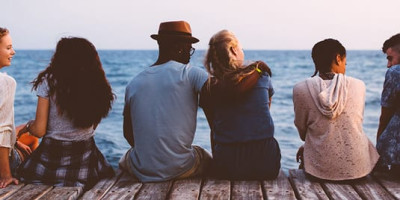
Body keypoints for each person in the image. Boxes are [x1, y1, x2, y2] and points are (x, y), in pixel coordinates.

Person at [118, 20, 213, 182]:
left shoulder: (134, 83)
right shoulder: (193, 74)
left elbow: (129, 134)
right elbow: (218, 107)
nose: (189, 55)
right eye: (189, 49)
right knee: (204, 155)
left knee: (123, 159)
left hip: (141, 169)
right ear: (179, 48)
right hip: (182, 168)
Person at [17, 37, 115, 188]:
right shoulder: (96, 85)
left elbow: (39, 131)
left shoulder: (49, 81)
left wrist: (27, 127)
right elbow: (91, 127)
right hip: (85, 160)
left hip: (51, 160)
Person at [293, 39, 379, 181]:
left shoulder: (300, 89)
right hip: (358, 171)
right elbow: (355, 123)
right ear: (338, 58)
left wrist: (308, 145)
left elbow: (302, 130)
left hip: (318, 173)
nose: (346, 66)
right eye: (345, 61)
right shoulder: (359, 85)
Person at [200, 30, 281, 180]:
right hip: (266, 164)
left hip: (228, 166)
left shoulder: (209, 88)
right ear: (233, 50)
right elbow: (264, 114)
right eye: (241, 48)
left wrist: (220, 161)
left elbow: (215, 129)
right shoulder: (262, 76)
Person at [0, 27, 38, 188]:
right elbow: (2, 130)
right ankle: (30, 175)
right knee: (34, 136)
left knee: (26, 133)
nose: (13, 52)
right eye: (8, 48)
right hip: (3, 164)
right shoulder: (6, 83)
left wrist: (14, 142)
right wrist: (6, 175)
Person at [376, 33, 400, 174]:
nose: (388, 65)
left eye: (390, 58)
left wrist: (378, 152)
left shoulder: (395, 72)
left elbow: (384, 117)